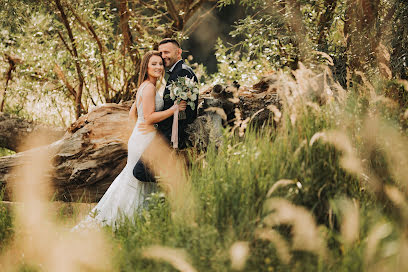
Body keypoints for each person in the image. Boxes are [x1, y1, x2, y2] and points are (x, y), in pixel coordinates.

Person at [73, 51, 186, 229]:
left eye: (160, 64)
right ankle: (123, 222)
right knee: (136, 182)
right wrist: (173, 110)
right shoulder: (149, 88)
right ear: (146, 67)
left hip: (140, 137)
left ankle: (130, 221)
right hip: (144, 140)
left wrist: (140, 126)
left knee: (132, 180)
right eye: (153, 64)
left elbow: (134, 113)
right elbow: (148, 117)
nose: (158, 67)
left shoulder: (146, 86)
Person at [133, 39, 199, 182]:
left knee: (140, 171)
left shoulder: (182, 72)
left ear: (179, 52)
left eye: (167, 52)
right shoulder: (174, 73)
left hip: (171, 134)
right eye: (161, 52)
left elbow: (184, 112)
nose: (164, 56)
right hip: (159, 131)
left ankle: (174, 180)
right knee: (140, 171)